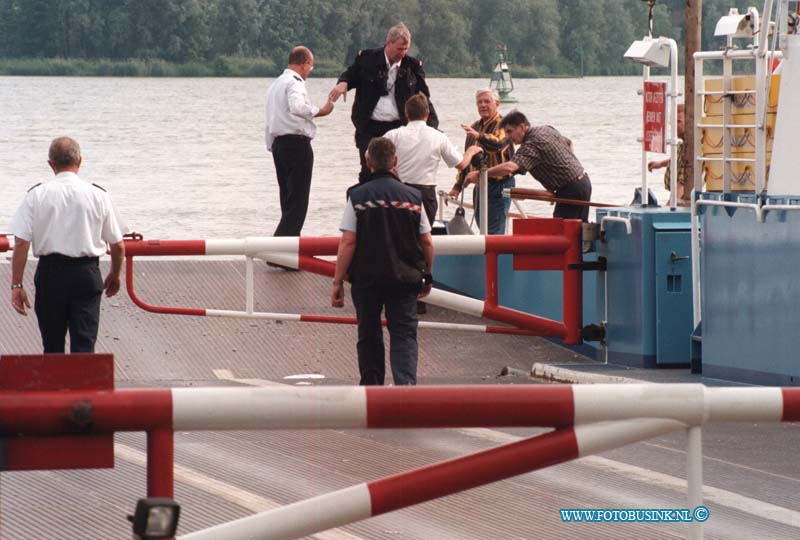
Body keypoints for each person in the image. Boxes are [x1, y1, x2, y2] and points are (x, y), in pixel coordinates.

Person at [331, 137, 434, 386]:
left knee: (369, 334)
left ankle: (371, 390)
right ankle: (406, 391)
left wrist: (337, 282)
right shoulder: (414, 197)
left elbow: (348, 242)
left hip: (367, 279)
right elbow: (427, 242)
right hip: (405, 278)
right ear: (395, 161)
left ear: (368, 163)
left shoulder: (357, 196)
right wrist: (427, 275)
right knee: (404, 335)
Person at [8, 136, 125, 353]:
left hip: (50, 273)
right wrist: (115, 274)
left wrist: (17, 285)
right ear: (80, 161)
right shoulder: (98, 195)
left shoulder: (36, 195)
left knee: (52, 345)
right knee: (84, 344)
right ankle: (82, 387)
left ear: (51, 165)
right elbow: (118, 245)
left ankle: (55, 386)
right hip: (87, 273)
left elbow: (22, 242)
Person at [328, 23, 438, 183]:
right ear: (389, 43)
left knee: (398, 171)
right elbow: (351, 74)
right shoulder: (367, 58)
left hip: (399, 126)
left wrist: (432, 128)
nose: (403, 53)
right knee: (368, 171)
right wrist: (343, 83)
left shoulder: (412, 66)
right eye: (400, 48)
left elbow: (424, 98)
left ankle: (395, 205)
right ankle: (364, 205)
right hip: (369, 127)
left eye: (406, 49)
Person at [464, 110, 592, 222]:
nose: (508, 137)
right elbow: (569, 143)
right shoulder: (546, 129)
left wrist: (480, 173)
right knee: (579, 227)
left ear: (522, 127)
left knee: (564, 230)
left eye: (510, 132)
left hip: (571, 189)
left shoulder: (531, 144)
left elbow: (509, 167)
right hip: (583, 181)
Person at [265, 46, 334, 251]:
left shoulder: (275, 85)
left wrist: (272, 145)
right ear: (304, 63)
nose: (308, 72)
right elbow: (297, 107)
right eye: (310, 68)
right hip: (297, 145)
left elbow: (270, 120)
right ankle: (277, 251)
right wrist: (322, 111)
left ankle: (288, 252)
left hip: (279, 145)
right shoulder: (295, 83)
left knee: (287, 200)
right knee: (298, 203)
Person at [384, 93, 482, 226]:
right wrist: (471, 151)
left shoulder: (393, 135)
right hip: (425, 193)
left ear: (406, 113)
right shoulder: (438, 136)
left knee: (399, 233)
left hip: (399, 191)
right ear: (427, 113)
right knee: (424, 236)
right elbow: (461, 164)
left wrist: (390, 169)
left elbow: (370, 155)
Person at [448, 88, 516, 234]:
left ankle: (494, 256)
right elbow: (467, 160)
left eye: (487, 101)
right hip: (479, 185)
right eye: (480, 102)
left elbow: (498, 144)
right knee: (482, 225)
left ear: (497, 104)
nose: (483, 105)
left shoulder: (504, 124)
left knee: (494, 229)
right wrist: (457, 187)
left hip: (499, 185)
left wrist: (479, 136)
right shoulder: (474, 127)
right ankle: (485, 255)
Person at [648, 103, 688, 205]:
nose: (675, 126)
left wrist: (670, 206)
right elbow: (678, 159)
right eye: (673, 122)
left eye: (678, 122)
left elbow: (683, 184)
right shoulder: (683, 145)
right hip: (676, 195)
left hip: (683, 199)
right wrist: (661, 164)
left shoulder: (692, 148)